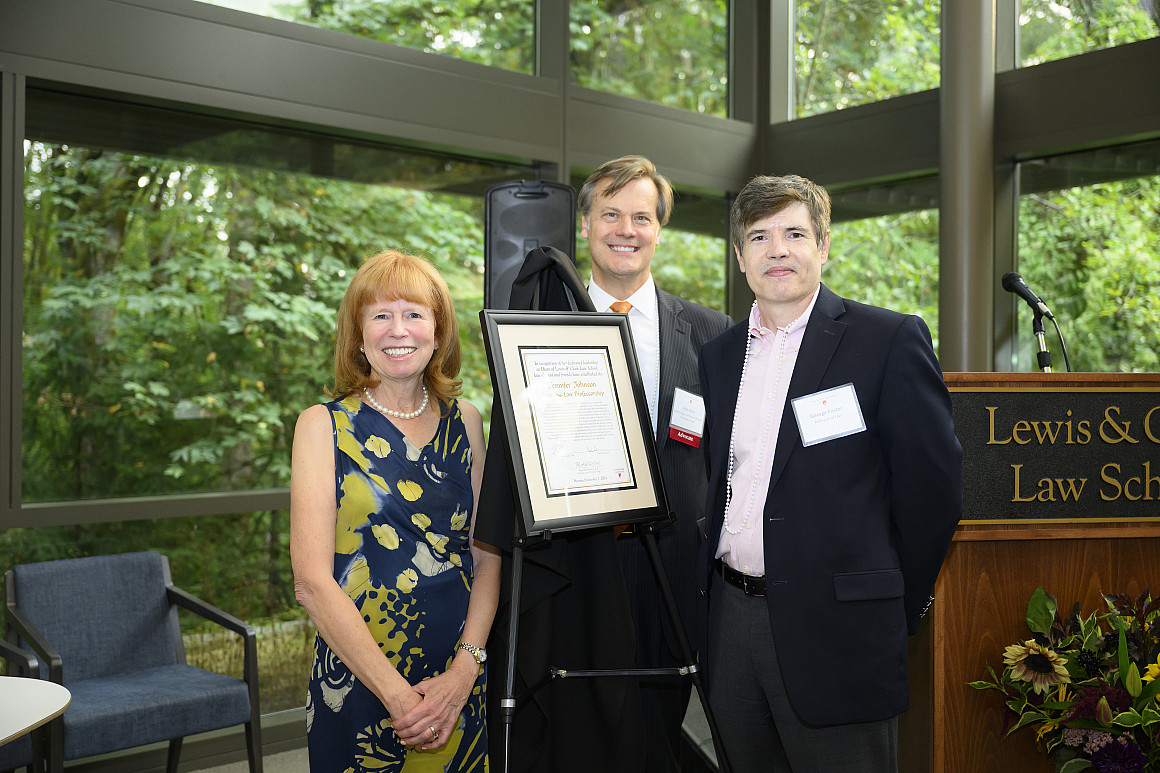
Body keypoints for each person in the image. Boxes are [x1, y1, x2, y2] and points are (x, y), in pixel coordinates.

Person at [697, 174, 963, 772]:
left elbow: (933, 492)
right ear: (740, 258)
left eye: (795, 233)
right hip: (731, 627)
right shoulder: (718, 355)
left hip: (842, 631)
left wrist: (886, 601)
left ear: (823, 246)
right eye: (759, 237)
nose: (778, 250)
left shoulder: (887, 339)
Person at [291, 249, 500, 772]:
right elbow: (312, 583)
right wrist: (399, 697)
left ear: (438, 330)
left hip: (457, 684)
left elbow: (488, 556)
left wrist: (463, 673)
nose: (397, 329)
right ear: (358, 335)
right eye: (380, 315)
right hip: (360, 683)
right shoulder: (322, 426)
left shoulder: (468, 421)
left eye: (413, 313)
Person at [579, 155, 732, 773]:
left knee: (660, 744)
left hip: (676, 576)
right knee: (585, 742)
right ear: (585, 224)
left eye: (641, 216)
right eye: (610, 213)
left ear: (659, 230)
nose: (626, 228)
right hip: (581, 573)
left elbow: (727, 460)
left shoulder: (711, 333)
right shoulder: (543, 326)